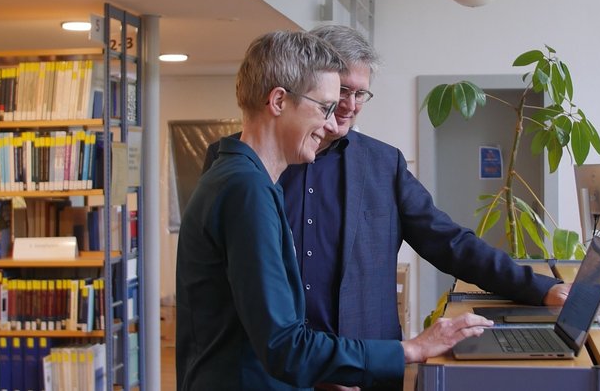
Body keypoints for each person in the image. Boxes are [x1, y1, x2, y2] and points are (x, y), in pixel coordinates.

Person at [203, 25, 586, 345]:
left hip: (366, 362)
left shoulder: (383, 163)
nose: (350, 104)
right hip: (274, 367)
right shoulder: (246, 162)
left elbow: (450, 242)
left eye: (361, 93)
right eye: (341, 91)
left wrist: (538, 288)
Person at [176, 30, 492, 390]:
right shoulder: (248, 189)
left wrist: (324, 372)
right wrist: (413, 348)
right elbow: (284, 346)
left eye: (355, 97)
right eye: (325, 106)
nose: (332, 122)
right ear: (279, 101)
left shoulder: (242, 178)